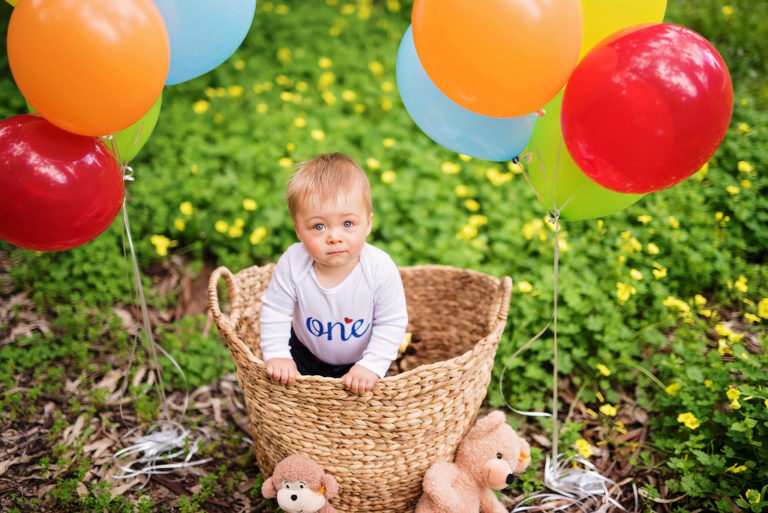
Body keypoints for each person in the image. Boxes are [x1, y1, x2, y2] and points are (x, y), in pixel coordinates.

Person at [259, 153, 408, 394]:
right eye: (319, 226)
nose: (334, 237)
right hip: (303, 353)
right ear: (298, 230)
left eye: (348, 224)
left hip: (362, 358)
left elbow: (391, 322)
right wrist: (277, 354)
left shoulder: (379, 268)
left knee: (364, 409)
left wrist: (371, 365)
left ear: (368, 224)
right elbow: (276, 310)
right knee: (299, 404)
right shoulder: (294, 263)